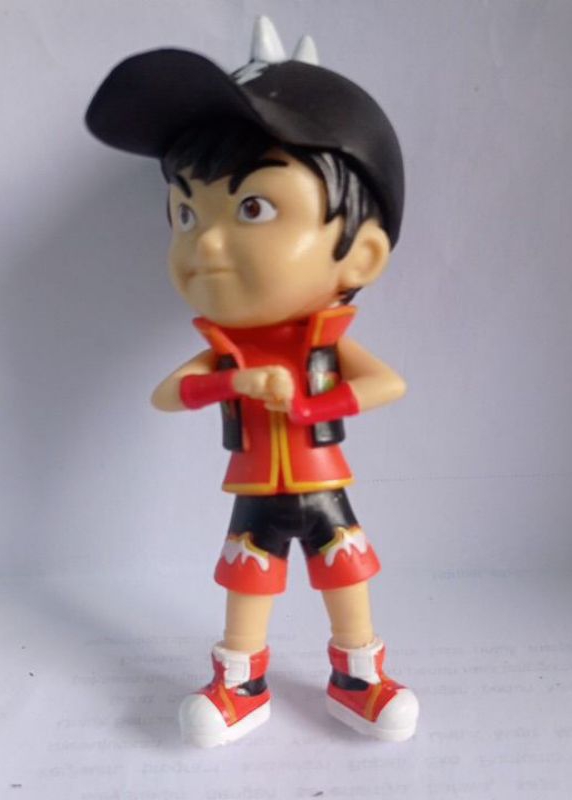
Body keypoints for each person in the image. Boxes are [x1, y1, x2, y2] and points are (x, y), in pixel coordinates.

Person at [86, 16, 419, 747]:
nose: (205, 240)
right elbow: (168, 394)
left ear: (361, 254)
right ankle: (240, 683)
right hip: (256, 490)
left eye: (253, 208)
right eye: (184, 211)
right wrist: (232, 385)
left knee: (346, 572)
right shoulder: (225, 350)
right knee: (246, 580)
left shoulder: (325, 342)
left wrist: (308, 401)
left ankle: (358, 677)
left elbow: (387, 385)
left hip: (322, 482)